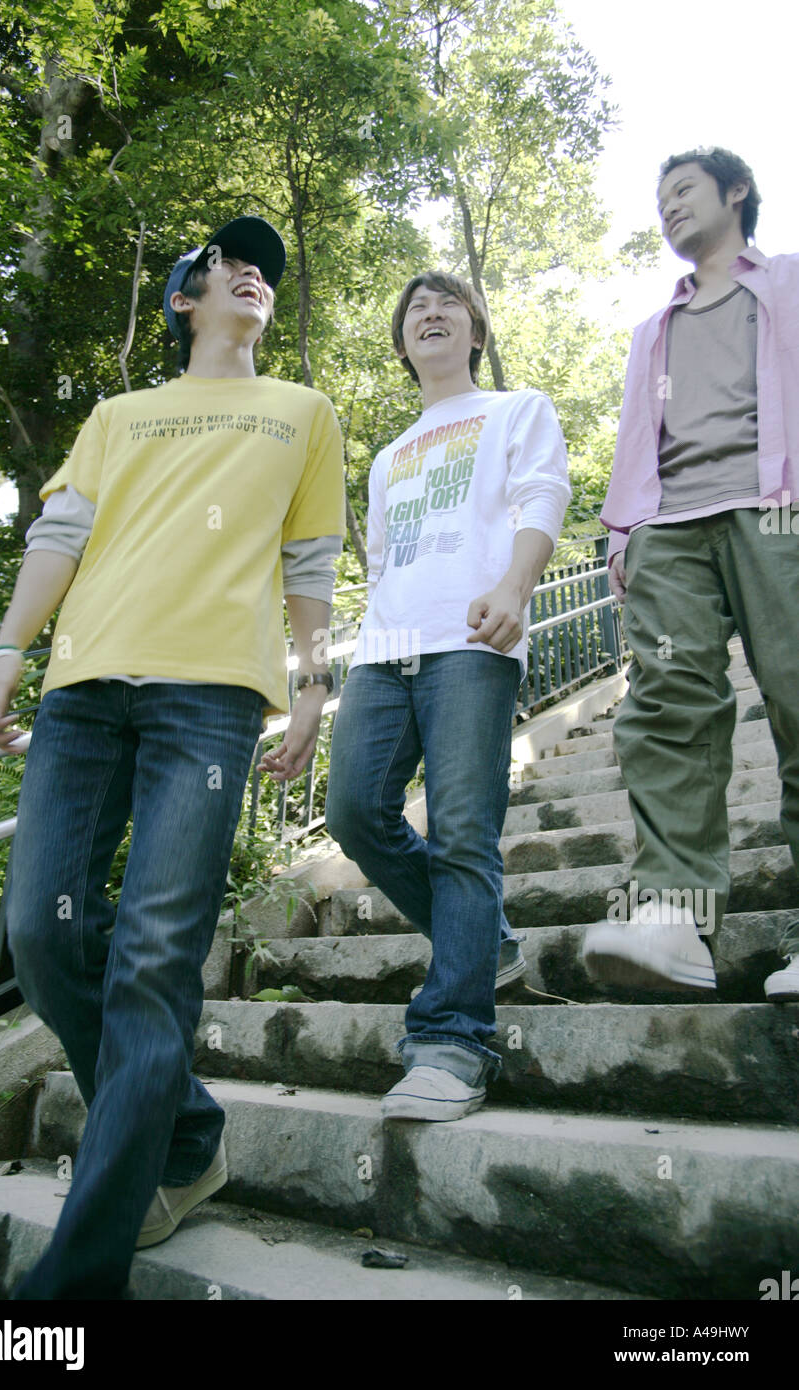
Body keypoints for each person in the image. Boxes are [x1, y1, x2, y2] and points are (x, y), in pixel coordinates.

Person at [0, 216, 346, 1298]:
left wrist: (313, 688)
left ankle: (73, 1283)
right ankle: (183, 1136)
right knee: (43, 934)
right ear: (185, 298)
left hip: (208, 700)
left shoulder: (302, 414)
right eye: (228, 264)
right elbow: (58, 539)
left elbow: (309, 562)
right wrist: (6, 651)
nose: (250, 275)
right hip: (85, 691)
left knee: (150, 961)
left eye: (264, 270)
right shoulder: (118, 415)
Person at [324, 271, 571, 1121]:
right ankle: (485, 939)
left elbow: (544, 495)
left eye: (449, 306)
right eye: (415, 311)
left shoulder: (517, 410)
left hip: (473, 641)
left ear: (474, 332)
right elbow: (386, 561)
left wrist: (516, 588)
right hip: (385, 651)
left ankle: (453, 1039)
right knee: (356, 813)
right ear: (402, 345)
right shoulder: (391, 456)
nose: (430, 315)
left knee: (465, 831)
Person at [582, 148, 799, 1001]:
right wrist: (622, 534)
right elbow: (639, 436)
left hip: (779, 507)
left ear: (735, 192)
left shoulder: (784, 284)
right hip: (669, 525)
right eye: (659, 198)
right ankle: (673, 919)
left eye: (683, 190)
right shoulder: (654, 330)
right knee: (668, 704)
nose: (668, 207)